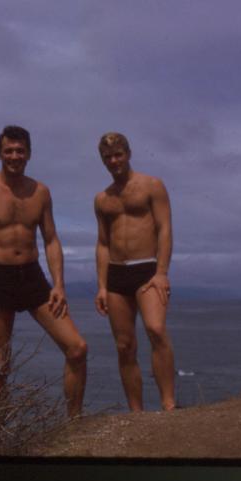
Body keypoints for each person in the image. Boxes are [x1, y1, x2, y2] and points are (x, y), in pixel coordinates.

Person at [0, 125, 88, 415]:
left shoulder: (40, 192)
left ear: (29, 153)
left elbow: (51, 239)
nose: (14, 156)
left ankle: (75, 426)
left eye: (20, 151)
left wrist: (59, 285)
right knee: (0, 365)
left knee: (77, 348)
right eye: (9, 151)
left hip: (32, 276)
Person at [94, 132, 176, 411]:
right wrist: (102, 286)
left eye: (118, 154)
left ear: (128, 153)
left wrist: (162, 271)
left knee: (155, 329)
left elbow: (165, 229)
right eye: (108, 157)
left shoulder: (152, 186)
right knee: (124, 346)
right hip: (116, 274)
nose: (114, 160)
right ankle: (136, 413)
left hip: (147, 270)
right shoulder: (102, 199)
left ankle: (168, 405)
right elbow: (103, 243)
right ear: (102, 160)